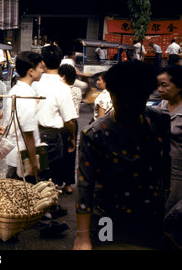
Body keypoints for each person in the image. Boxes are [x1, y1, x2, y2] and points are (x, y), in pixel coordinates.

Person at [74, 61, 171, 250]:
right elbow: (85, 187)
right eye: (122, 98)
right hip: (107, 217)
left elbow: (165, 163)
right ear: (110, 93)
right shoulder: (94, 134)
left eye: (137, 99)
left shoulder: (159, 120)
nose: (129, 105)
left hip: (150, 216)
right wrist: (82, 236)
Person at [32, 44, 77, 189]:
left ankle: (37, 207)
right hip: (51, 137)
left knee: (35, 173)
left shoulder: (34, 83)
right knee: (48, 175)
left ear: (43, 63)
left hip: (31, 134)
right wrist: (72, 138)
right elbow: (69, 121)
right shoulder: (62, 87)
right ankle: (45, 209)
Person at [4, 51, 43, 182]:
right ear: (31, 71)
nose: (42, 70)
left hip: (16, 153)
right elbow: (28, 133)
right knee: (22, 197)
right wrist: (33, 162)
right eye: (40, 67)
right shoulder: (26, 95)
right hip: (23, 156)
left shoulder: (16, 90)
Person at [157, 65, 182, 215]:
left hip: (178, 173)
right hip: (162, 168)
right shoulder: (163, 104)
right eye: (158, 85)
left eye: (164, 85)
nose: (160, 89)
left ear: (179, 85)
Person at [58, 64, 82, 194]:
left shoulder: (62, 90)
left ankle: (57, 181)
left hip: (62, 124)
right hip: (74, 123)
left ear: (63, 77)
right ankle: (68, 184)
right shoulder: (77, 90)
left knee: (59, 154)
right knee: (70, 154)